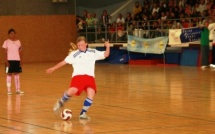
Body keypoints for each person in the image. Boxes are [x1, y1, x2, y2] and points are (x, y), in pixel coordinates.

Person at [46, 36, 110, 120]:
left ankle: (83, 113)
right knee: (73, 90)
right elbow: (63, 62)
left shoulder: (93, 51)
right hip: (78, 76)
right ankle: (61, 101)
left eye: (82, 45)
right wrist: (53, 68)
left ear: (86, 44)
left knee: (91, 94)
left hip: (90, 77)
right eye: (79, 45)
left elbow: (105, 54)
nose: (80, 47)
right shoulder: (74, 54)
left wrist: (108, 47)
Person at [2, 28, 24, 95]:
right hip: (9, 61)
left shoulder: (18, 42)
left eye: (14, 33)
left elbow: (20, 52)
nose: (13, 35)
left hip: (17, 60)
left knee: (17, 75)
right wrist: (6, 61)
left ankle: (18, 89)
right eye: (11, 33)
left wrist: (21, 60)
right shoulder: (6, 42)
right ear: (9, 35)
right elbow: (5, 53)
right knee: (9, 75)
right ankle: (9, 90)